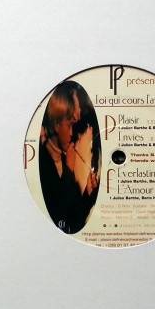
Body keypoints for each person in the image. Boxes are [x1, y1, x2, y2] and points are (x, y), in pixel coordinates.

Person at [39, 81, 100, 234]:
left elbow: (74, 220)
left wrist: (89, 195)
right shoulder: (42, 162)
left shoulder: (65, 156)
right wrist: (68, 170)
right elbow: (58, 216)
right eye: (70, 125)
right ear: (55, 123)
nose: (73, 133)